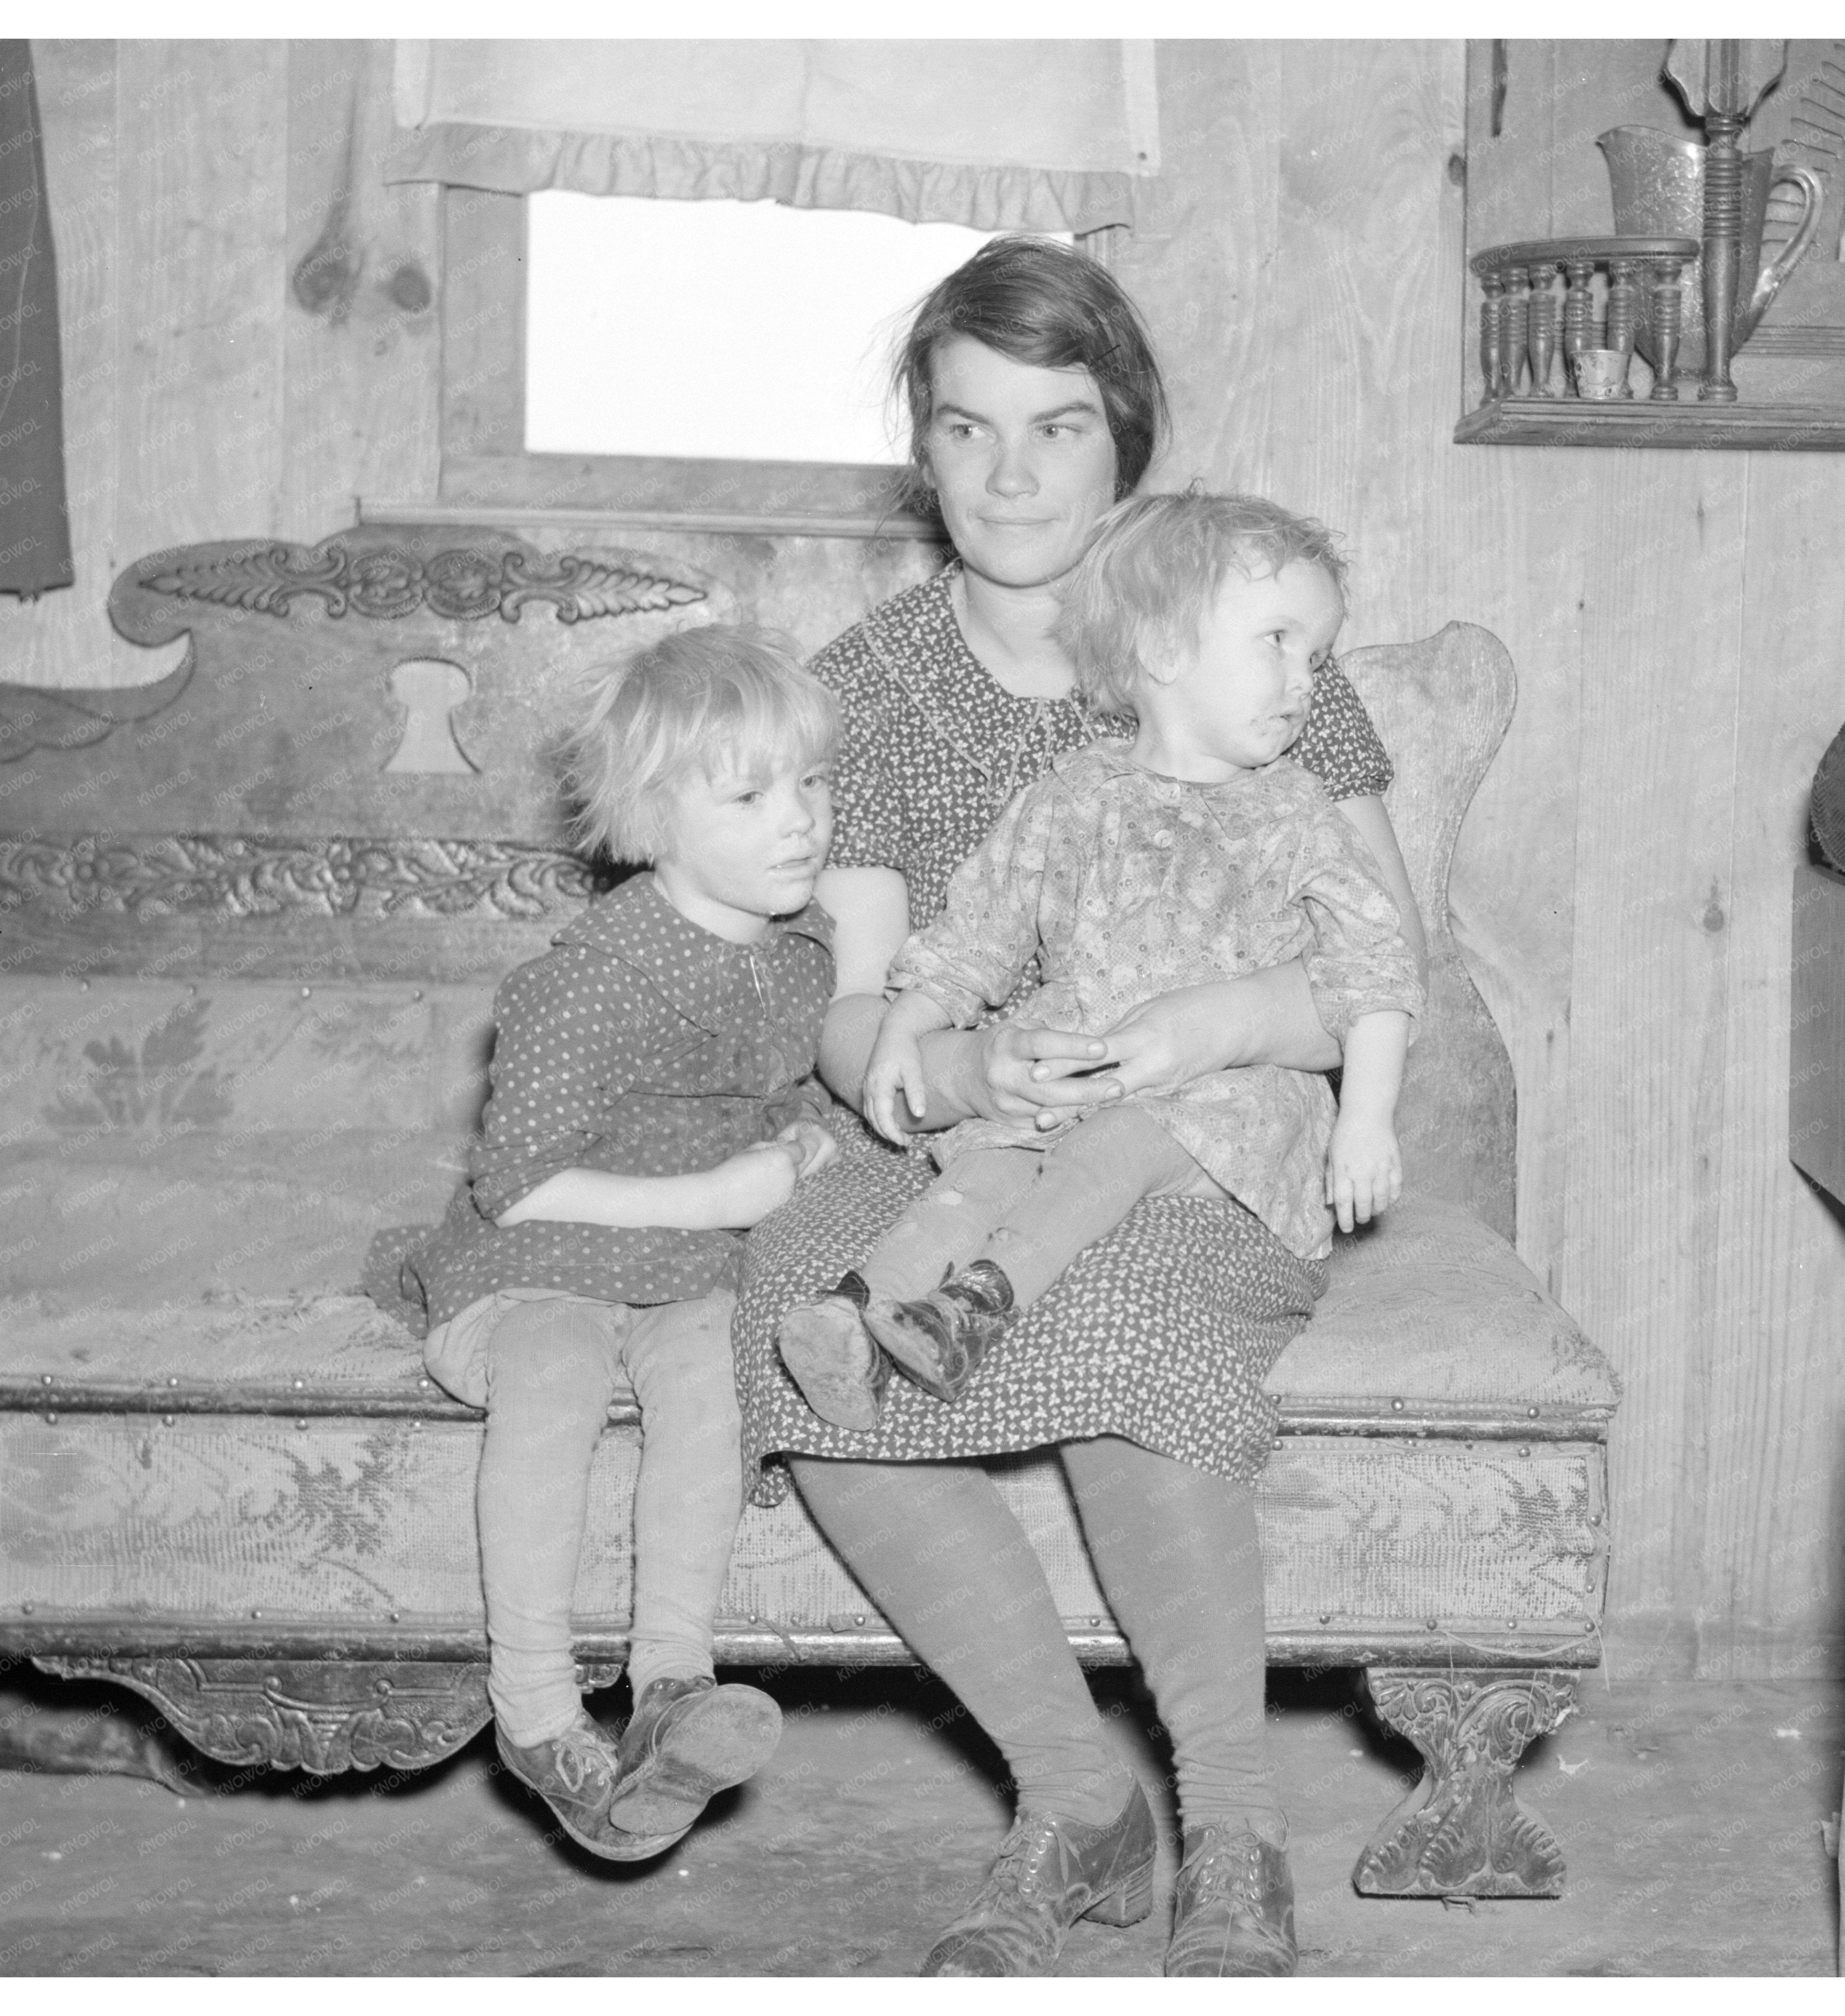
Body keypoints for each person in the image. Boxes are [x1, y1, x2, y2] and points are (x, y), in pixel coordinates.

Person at [730, 237, 1427, 1978]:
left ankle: (1235, 1835)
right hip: (979, 1132)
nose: (1016, 474)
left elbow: (1377, 976)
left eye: (1059, 425)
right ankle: (1074, 1805)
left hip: (1211, 1139)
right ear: (925, 449)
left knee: (1127, 1322)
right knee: (792, 1315)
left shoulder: (1249, 631)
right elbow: (863, 1010)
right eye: (969, 430)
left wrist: (1208, 1030)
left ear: (1128, 439)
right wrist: (955, 1067)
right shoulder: (879, 677)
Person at [775, 492, 1421, 1427]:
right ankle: (856, 1315)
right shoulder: (1072, 794)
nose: (1304, 680)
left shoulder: (1298, 813)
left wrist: (1367, 1119)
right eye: (1276, 641)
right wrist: (910, 1027)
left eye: (1315, 655)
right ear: (1162, 650)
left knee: (1112, 1148)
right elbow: (978, 938)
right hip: (1079, 1070)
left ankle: (972, 1313)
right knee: (988, 1165)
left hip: (1230, 1103)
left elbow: (1378, 967)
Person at [381, 626, 844, 1862]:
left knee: (713, 1382)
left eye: (812, 781)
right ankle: (535, 1708)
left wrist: (804, 1148)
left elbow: (779, 1094)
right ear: (653, 818)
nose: (799, 819)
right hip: (536, 1264)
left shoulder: (799, 954)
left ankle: (672, 1690)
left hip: (687, 1274)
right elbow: (516, 1188)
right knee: (559, 1375)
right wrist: (716, 1196)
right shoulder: (585, 983)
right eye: (751, 794)